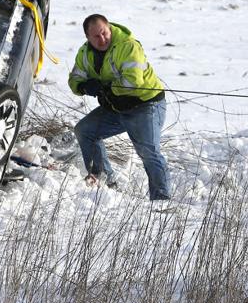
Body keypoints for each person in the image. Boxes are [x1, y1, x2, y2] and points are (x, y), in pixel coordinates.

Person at [68, 14, 172, 202]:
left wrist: (106, 89)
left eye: (104, 33)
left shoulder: (128, 46)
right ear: (87, 38)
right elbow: (74, 79)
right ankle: (106, 181)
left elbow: (133, 81)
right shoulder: (85, 54)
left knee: (148, 152)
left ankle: (161, 200)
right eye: (96, 37)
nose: (102, 39)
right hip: (116, 107)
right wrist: (85, 87)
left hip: (146, 105)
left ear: (109, 28)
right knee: (84, 131)